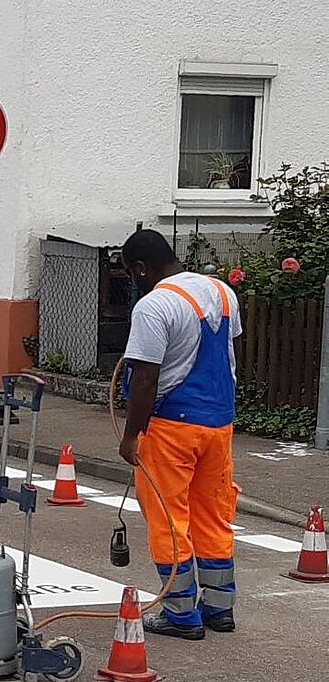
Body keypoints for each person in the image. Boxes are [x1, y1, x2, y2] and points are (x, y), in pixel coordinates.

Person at [118, 229, 241, 640]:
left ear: (140, 268)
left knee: (170, 519)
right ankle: (219, 608)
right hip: (219, 424)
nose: (134, 283)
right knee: (213, 515)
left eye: (132, 275)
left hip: (171, 425)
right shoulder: (222, 292)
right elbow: (225, 349)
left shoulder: (154, 306)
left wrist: (131, 435)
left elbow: (146, 377)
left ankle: (180, 614)